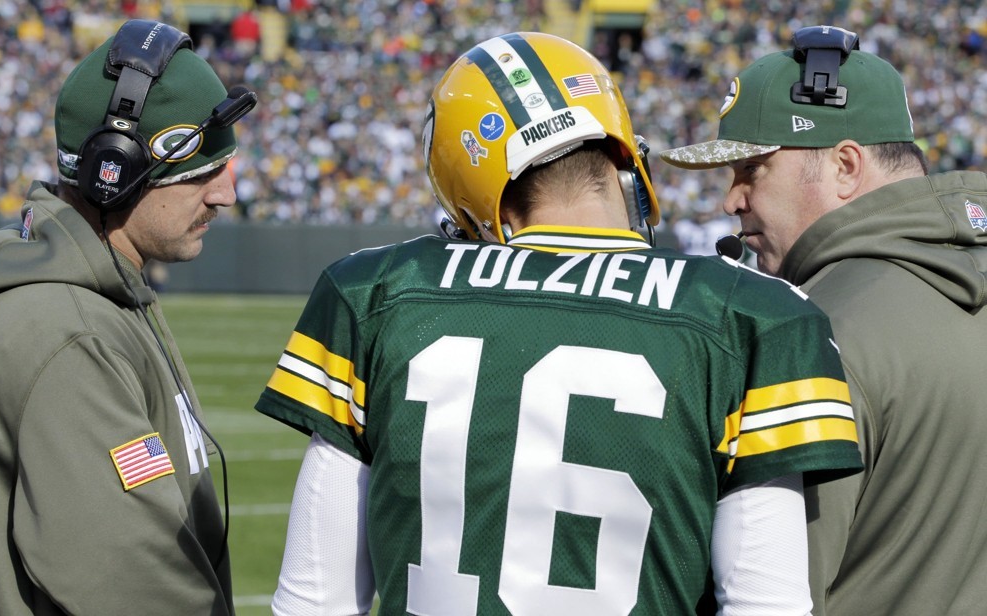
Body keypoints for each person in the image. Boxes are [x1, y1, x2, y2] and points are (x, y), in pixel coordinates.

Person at [256, 31, 863, 615]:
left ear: (467, 188)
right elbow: (767, 605)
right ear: (620, 153)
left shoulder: (376, 292)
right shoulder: (754, 316)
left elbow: (317, 601)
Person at [660, 24, 987, 616]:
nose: (731, 201)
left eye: (751, 169)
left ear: (844, 166)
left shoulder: (813, 331)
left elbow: (769, 597)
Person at [0, 19, 255, 615]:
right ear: (116, 169)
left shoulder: (95, 298)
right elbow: (132, 586)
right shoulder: (71, 334)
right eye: (203, 172)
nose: (226, 194)